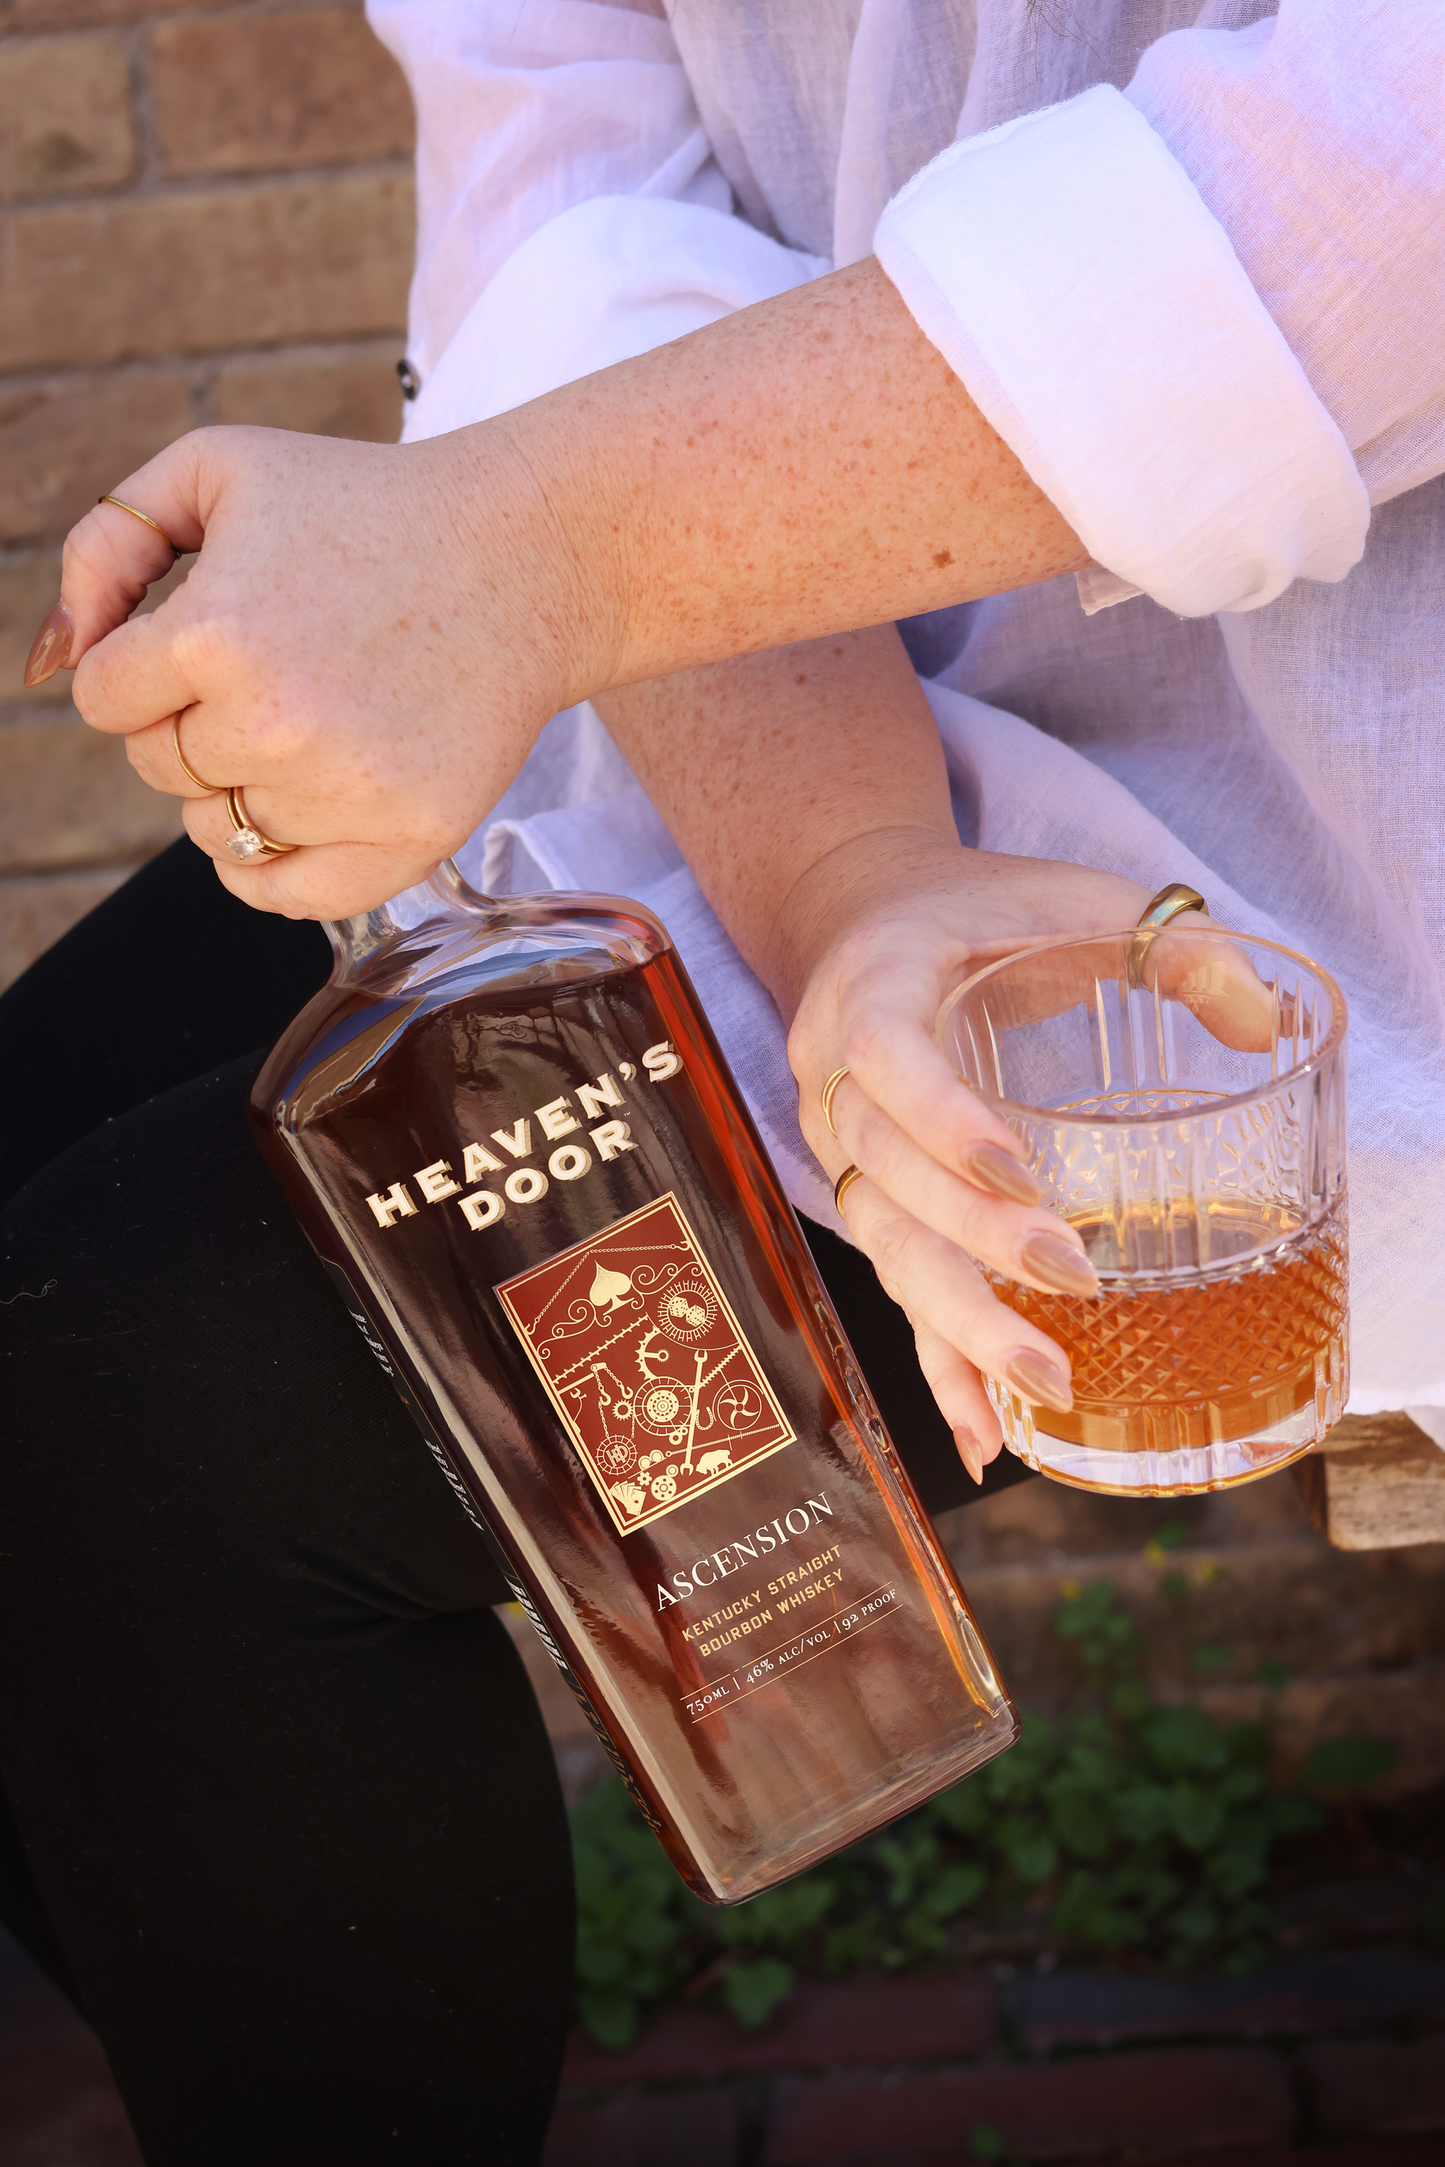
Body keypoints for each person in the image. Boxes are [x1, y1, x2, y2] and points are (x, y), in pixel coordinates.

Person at [7, 0, 1444, 2157]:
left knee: (140, 1415)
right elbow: (571, 199)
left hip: (1326, 824)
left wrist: (517, 553)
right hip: (755, 702)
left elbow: (1378, 181)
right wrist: (842, 869)